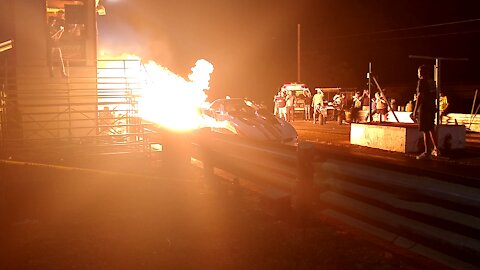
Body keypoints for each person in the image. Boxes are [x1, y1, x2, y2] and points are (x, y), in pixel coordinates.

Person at [413, 65, 440, 159]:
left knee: (425, 130)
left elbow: (420, 96)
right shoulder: (432, 82)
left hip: (424, 108)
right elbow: (435, 95)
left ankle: (427, 152)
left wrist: (415, 110)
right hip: (431, 108)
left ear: (421, 72)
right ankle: (436, 149)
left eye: (418, 71)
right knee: (431, 129)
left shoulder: (421, 82)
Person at [47, 13, 67, 78]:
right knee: (51, 60)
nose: (54, 22)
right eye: (53, 21)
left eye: (54, 21)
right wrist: (59, 31)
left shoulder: (53, 28)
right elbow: (51, 36)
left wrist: (61, 31)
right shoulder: (48, 28)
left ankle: (63, 73)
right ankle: (51, 74)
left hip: (56, 45)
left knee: (60, 59)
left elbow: (57, 37)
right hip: (51, 45)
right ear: (50, 21)